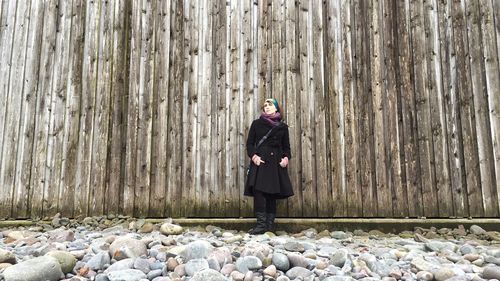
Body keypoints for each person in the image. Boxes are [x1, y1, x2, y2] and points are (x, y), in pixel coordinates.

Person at [245, 98, 294, 234]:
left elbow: (286, 147)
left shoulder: (282, 127)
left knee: (272, 193)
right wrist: (254, 157)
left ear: (276, 108)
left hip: (275, 163)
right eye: (265, 105)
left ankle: (269, 226)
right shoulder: (256, 124)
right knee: (259, 192)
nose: (266, 107)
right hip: (260, 161)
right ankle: (260, 225)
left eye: (270, 105)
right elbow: (250, 144)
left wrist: (285, 158)